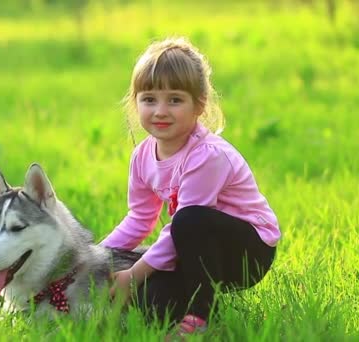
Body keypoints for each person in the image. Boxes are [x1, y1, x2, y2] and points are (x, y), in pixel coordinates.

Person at [99, 37, 280, 336]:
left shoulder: (207, 156)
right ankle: (211, 312)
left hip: (247, 251)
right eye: (149, 99)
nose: (160, 111)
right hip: (196, 248)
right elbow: (139, 219)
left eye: (174, 100)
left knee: (188, 219)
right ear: (136, 102)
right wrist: (94, 259)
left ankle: (201, 318)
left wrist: (132, 274)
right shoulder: (143, 156)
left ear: (199, 105)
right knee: (150, 300)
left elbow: (183, 227)